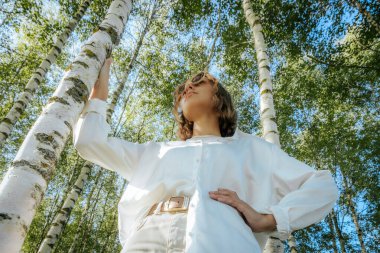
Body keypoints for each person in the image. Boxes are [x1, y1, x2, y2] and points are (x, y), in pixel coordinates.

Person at [73, 57, 340, 253]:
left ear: (219, 98)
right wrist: (99, 92)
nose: (188, 87)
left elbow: (322, 185)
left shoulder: (254, 149)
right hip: (146, 238)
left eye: (199, 82)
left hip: (225, 239)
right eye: (184, 88)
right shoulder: (156, 151)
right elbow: (89, 142)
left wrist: (270, 219)